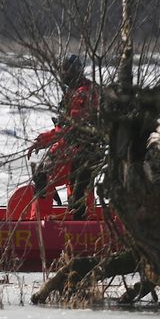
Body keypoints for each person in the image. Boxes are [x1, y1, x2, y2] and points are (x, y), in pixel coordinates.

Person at [26, 55, 98, 220]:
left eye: (65, 71)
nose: (62, 75)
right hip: (89, 151)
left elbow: (69, 130)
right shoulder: (88, 90)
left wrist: (44, 142)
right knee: (80, 188)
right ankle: (84, 221)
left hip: (74, 149)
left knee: (43, 176)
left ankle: (39, 222)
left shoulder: (81, 94)